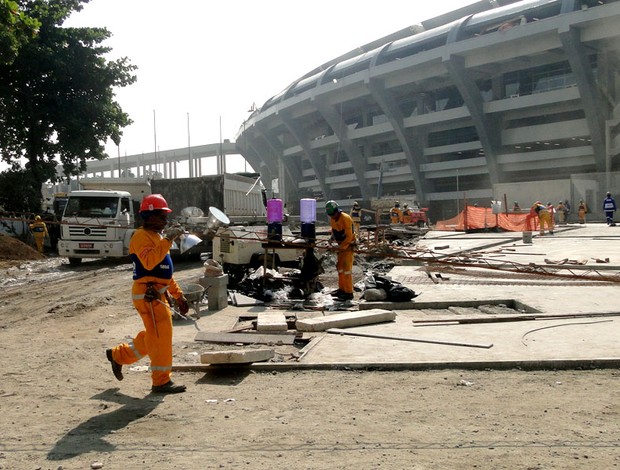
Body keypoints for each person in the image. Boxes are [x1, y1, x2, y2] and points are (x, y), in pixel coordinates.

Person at [106, 194, 190, 394]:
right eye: (161, 216)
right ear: (149, 216)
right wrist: (169, 238)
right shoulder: (141, 237)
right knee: (160, 337)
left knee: (155, 336)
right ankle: (160, 382)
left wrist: (178, 295)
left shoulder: (157, 238)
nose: (165, 220)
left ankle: (118, 355)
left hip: (156, 293)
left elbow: (164, 272)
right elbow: (150, 262)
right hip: (147, 294)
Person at [325, 200, 355, 301]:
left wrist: (341, 247)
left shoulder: (345, 218)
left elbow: (349, 236)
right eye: (330, 215)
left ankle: (349, 292)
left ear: (337, 211)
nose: (332, 216)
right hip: (340, 246)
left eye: (333, 214)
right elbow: (334, 230)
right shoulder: (333, 219)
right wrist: (331, 238)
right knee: (340, 268)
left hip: (348, 246)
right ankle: (342, 289)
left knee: (346, 269)